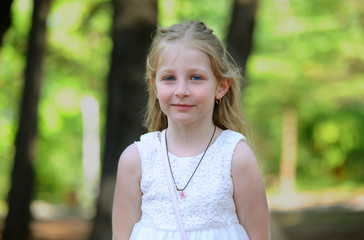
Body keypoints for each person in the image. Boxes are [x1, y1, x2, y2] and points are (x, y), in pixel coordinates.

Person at [112, 21, 271, 240]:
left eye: (196, 77)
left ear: (221, 87)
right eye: (169, 78)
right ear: (155, 86)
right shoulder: (136, 160)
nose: (181, 91)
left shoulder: (236, 157)